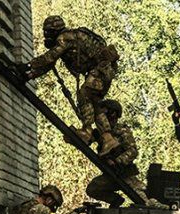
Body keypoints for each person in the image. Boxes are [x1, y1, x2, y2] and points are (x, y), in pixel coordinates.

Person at [22, 15, 121, 154]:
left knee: (84, 94)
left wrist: (27, 66)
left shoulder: (65, 38)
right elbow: (49, 65)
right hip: (106, 70)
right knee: (95, 103)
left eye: (47, 32)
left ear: (53, 31)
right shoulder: (72, 37)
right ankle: (108, 139)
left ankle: (87, 131)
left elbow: (49, 57)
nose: (46, 36)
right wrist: (29, 75)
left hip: (100, 69)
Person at [85, 99, 158, 208]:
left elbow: (133, 151)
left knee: (144, 201)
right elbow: (86, 140)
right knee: (93, 189)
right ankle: (116, 200)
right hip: (110, 174)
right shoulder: (99, 132)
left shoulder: (122, 130)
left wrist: (118, 161)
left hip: (125, 172)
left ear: (112, 114)